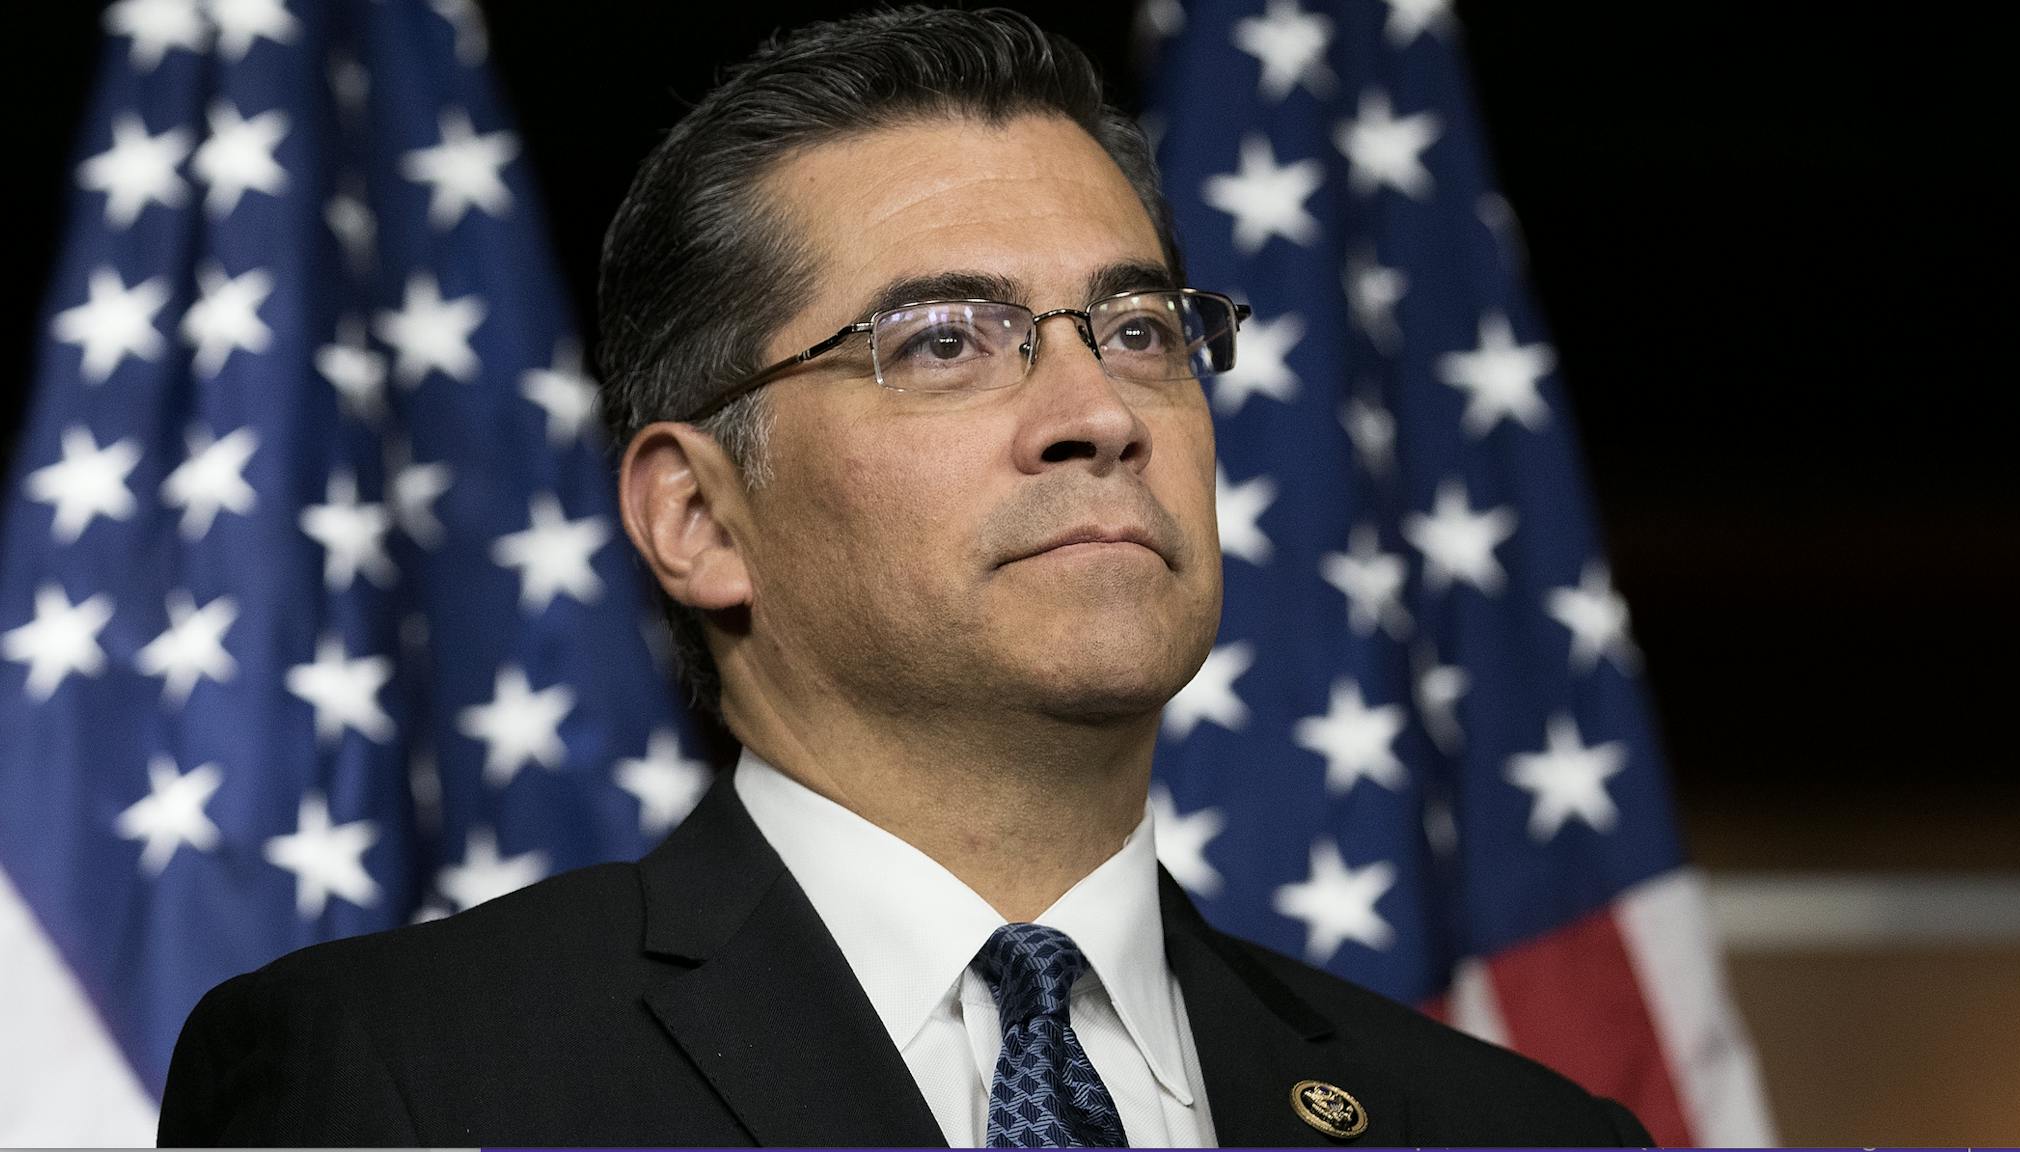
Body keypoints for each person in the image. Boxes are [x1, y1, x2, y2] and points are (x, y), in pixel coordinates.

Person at [158, 8, 1652, 1147]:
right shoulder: (402, 1078)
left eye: (1138, 329)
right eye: (944, 338)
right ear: (697, 517)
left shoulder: (1518, 1131)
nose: (1101, 414)